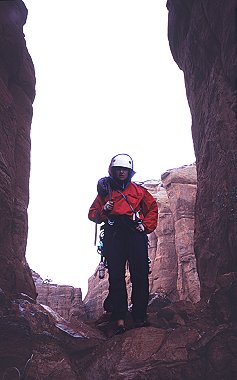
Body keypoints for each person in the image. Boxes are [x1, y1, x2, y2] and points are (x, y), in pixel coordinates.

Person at [88, 153, 158, 334]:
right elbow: (92, 214)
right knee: (117, 277)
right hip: (114, 234)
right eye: (118, 169)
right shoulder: (105, 192)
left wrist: (146, 226)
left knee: (140, 274)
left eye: (125, 170)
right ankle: (119, 318)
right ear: (112, 170)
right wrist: (104, 210)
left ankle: (139, 316)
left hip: (135, 233)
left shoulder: (139, 191)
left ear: (130, 172)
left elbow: (152, 208)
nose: (121, 172)